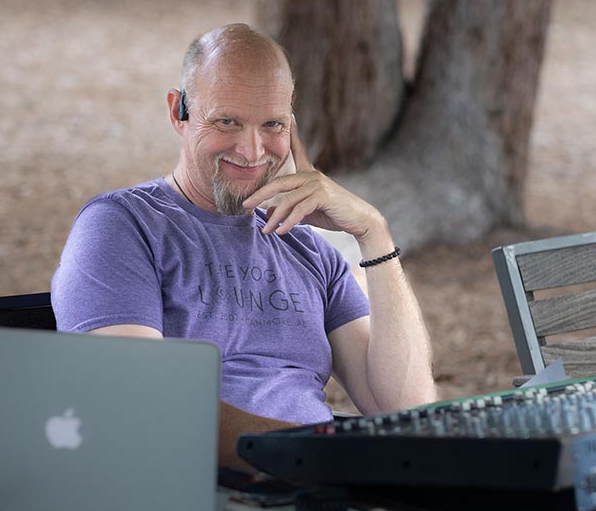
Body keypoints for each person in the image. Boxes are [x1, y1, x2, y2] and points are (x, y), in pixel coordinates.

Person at [51, 23, 437, 467]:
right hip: (211, 492)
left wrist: (374, 234)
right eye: (227, 121)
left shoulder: (308, 251)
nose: (252, 151)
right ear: (179, 112)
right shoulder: (122, 227)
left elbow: (406, 414)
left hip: (322, 483)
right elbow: (141, 402)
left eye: (272, 124)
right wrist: (317, 453)